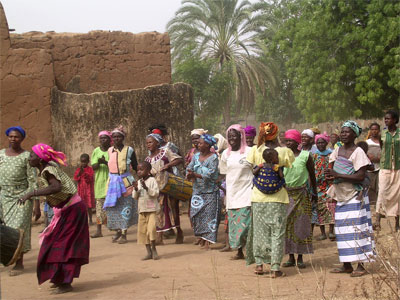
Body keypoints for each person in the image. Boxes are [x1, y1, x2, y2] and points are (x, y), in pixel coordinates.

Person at [19, 144, 89, 294]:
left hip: (73, 210)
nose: (29, 158)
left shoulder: (48, 170)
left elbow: (56, 187)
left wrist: (32, 193)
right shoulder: (47, 168)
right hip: (67, 210)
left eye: (32, 155)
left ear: (39, 158)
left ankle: (65, 282)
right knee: (55, 243)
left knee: (64, 245)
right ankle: (59, 278)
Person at [246, 122, 294, 277]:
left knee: (259, 232)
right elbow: (289, 164)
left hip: (258, 198)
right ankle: (274, 268)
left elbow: (251, 168)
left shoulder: (255, 150)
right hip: (278, 199)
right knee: (277, 233)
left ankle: (259, 265)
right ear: (276, 133)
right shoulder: (284, 151)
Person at [326, 121, 374, 277]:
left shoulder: (358, 151)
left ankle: (361, 266)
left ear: (354, 134)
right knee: (342, 230)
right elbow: (331, 169)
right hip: (341, 195)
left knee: (358, 229)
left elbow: (360, 176)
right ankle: (346, 264)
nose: (343, 134)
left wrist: (338, 175)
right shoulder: (337, 150)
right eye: (342, 132)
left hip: (355, 195)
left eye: (347, 132)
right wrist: (332, 176)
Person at [0, 126, 39, 276]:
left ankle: (19, 263)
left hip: (22, 197)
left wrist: (36, 204)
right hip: (4, 197)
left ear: (22, 139)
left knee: (19, 229)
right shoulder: (1, 155)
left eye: (16, 137)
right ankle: (7, 258)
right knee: (5, 229)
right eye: (10, 136)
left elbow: (32, 180)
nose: (13, 139)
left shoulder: (26, 156)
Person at [283, 129, 318, 269]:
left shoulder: (305, 156)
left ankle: (300, 257)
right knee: (287, 225)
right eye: (286, 141)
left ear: (297, 142)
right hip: (286, 194)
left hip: (302, 194)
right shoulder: (283, 157)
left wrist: (315, 193)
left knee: (301, 225)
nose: (288, 143)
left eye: (290, 140)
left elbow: (312, 175)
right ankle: (290, 256)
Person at [219, 124, 253, 260]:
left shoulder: (250, 151)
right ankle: (239, 251)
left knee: (247, 223)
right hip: (232, 193)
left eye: (235, 136)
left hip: (247, 192)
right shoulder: (225, 155)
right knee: (234, 225)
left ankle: (250, 250)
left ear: (241, 136)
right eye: (230, 136)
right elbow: (223, 173)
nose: (232, 138)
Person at [145, 132, 183, 244]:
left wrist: (168, 165)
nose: (148, 145)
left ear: (157, 143)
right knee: (158, 211)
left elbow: (179, 159)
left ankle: (179, 231)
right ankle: (159, 237)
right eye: (147, 143)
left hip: (169, 186)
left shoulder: (165, 152)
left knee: (173, 210)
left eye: (150, 142)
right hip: (156, 189)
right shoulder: (148, 159)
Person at [103, 126, 138, 244]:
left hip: (125, 182)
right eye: (114, 137)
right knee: (113, 207)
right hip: (112, 183)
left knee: (125, 206)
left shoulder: (129, 150)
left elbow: (136, 165)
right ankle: (117, 230)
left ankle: (124, 233)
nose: (116, 138)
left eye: (119, 136)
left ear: (123, 138)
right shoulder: (109, 150)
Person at [186, 134, 220, 250]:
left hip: (210, 192)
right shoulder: (195, 157)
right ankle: (200, 235)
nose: (198, 145)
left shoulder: (213, 158)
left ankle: (207, 241)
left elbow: (210, 173)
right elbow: (189, 167)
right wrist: (189, 174)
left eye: (200, 143)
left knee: (209, 217)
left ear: (208, 145)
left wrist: (195, 174)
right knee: (195, 215)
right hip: (197, 191)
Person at [375, 111, 400, 231]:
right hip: (385, 166)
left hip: (398, 167)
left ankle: (397, 222)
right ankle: (377, 220)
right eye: (385, 119)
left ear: (395, 120)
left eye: (388, 119)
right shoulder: (382, 134)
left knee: (398, 193)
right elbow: (382, 147)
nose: (386, 121)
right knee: (382, 191)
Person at [133, 161, 160, 260]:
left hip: (151, 209)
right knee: (143, 231)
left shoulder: (152, 180)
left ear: (148, 171)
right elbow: (135, 197)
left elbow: (156, 193)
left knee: (151, 229)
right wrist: (136, 189)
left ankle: (154, 249)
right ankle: (148, 252)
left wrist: (146, 188)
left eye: (141, 169)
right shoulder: (138, 182)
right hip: (142, 210)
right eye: (138, 170)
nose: (139, 172)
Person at [313, 132, 335, 241]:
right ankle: (322, 233)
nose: (320, 145)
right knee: (319, 208)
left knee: (331, 207)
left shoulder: (331, 155)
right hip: (318, 185)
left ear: (326, 143)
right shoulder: (314, 156)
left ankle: (331, 231)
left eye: (322, 142)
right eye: (318, 143)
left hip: (329, 185)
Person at [91, 130, 112, 238]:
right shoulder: (96, 151)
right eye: (101, 138)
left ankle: (116, 228)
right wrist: (99, 163)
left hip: (111, 182)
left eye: (105, 138)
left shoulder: (113, 150)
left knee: (113, 206)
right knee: (99, 208)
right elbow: (93, 167)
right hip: (99, 183)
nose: (103, 140)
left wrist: (105, 162)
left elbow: (115, 166)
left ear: (109, 140)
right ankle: (99, 230)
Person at [73, 153, 95, 224]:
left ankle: (90, 219)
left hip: (88, 190)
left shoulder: (90, 169)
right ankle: (82, 220)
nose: (83, 163)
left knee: (89, 206)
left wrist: (85, 174)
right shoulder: (78, 169)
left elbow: (90, 179)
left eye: (84, 161)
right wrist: (79, 173)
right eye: (82, 162)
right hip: (81, 190)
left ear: (88, 161)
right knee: (81, 206)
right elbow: (76, 178)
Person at [365, 123, 381, 205]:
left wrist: (379, 158)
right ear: (370, 131)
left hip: (380, 168)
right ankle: (372, 204)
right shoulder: (367, 142)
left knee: (380, 186)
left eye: (376, 129)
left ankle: (379, 205)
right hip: (370, 168)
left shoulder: (381, 142)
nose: (374, 131)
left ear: (379, 130)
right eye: (372, 129)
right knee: (370, 186)